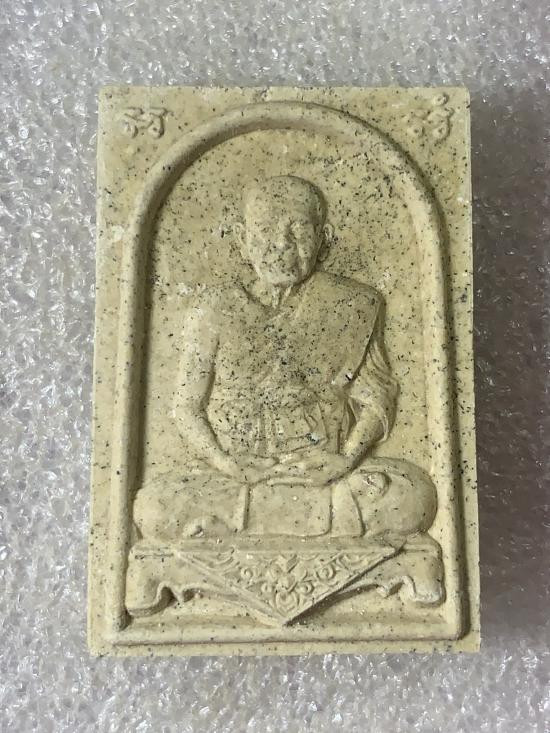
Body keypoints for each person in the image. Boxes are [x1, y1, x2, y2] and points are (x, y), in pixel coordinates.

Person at [133, 175, 436, 542]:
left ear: (324, 240)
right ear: (242, 240)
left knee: (414, 496)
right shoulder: (213, 309)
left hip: (323, 473)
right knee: (153, 508)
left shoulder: (355, 305)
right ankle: (310, 524)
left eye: (299, 231)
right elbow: (186, 407)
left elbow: (376, 399)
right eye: (264, 231)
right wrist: (223, 461)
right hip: (233, 475)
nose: (281, 244)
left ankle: (237, 528)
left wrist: (345, 459)